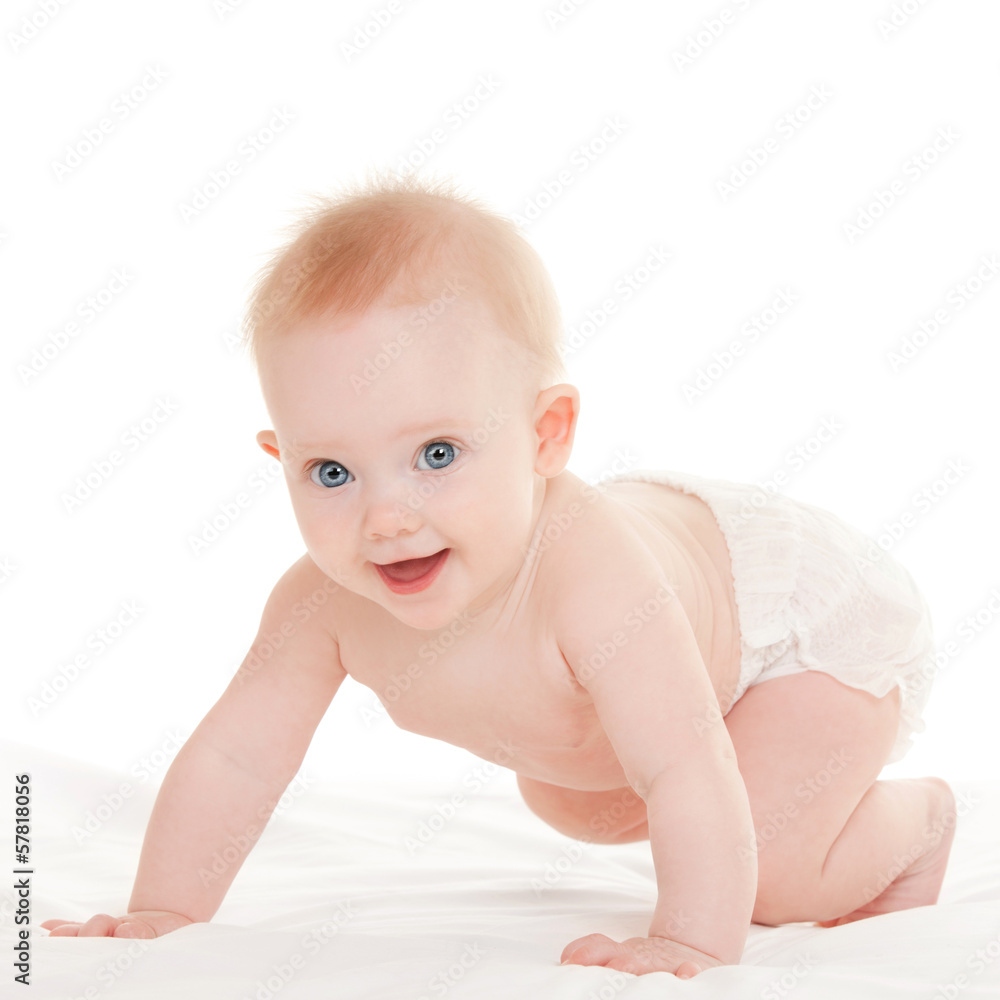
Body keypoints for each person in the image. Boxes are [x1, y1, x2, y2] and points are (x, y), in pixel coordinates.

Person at [43, 172, 956, 979]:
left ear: (545, 437)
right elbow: (238, 758)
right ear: (280, 458)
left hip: (789, 637)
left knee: (772, 866)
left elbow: (683, 762)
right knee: (574, 803)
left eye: (437, 453)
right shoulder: (319, 603)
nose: (387, 517)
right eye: (332, 473)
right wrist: (162, 912)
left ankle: (916, 823)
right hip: (662, 672)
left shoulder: (594, 579)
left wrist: (689, 940)